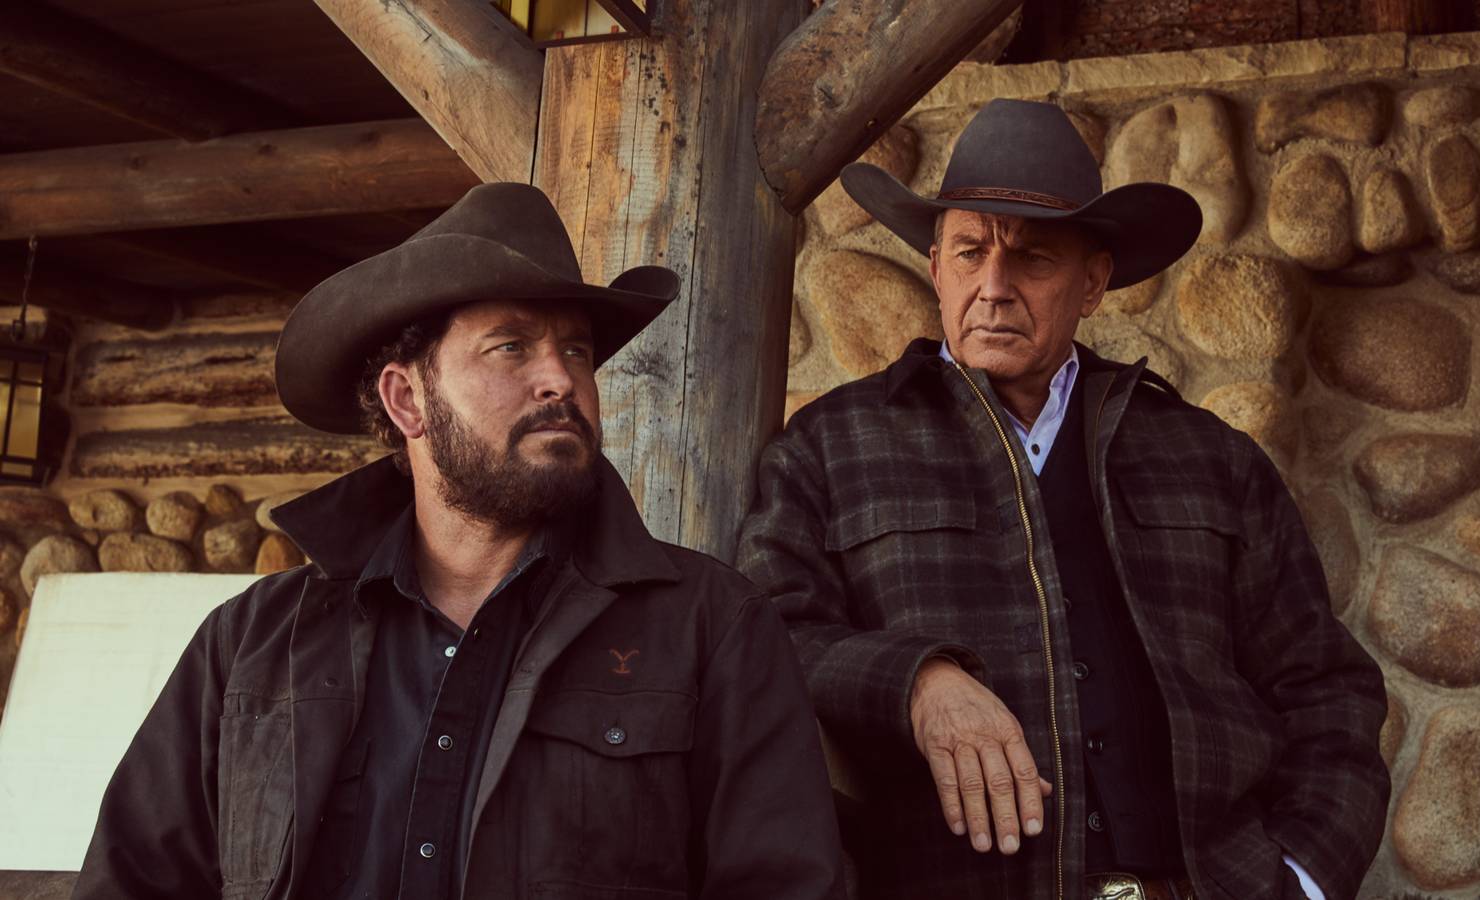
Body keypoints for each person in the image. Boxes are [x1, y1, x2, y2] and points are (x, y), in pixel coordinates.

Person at [74, 182, 845, 900]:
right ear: (407, 400)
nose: (561, 380)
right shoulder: (250, 642)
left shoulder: (712, 625)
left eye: (576, 351)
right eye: (511, 347)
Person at [736, 99, 1389, 900]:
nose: (994, 287)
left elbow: (1325, 688)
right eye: (970, 252)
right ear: (936, 268)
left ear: (1093, 283)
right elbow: (765, 638)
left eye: (1033, 258)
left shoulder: (1211, 460)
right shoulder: (830, 447)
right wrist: (918, 682)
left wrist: (1304, 878)